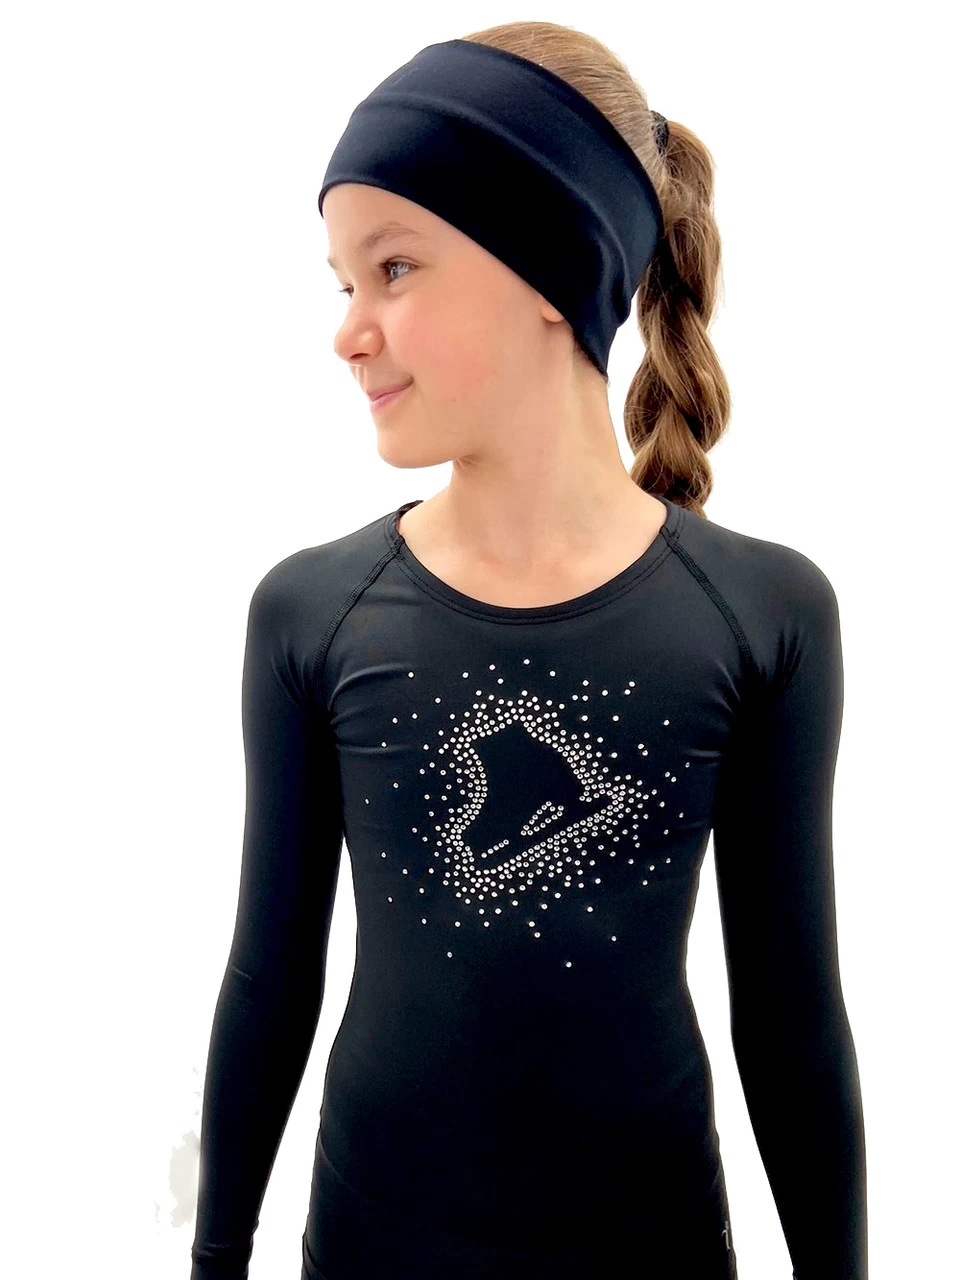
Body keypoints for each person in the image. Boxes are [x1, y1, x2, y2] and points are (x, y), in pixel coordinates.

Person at [189, 21, 867, 1280]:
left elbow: (791, 1015)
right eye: (343, 284)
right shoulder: (313, 611)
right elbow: (269, 979)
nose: (349, 331)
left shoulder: (760, 612)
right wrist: (214, 1256)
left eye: (394, 268)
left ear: (554, 264)